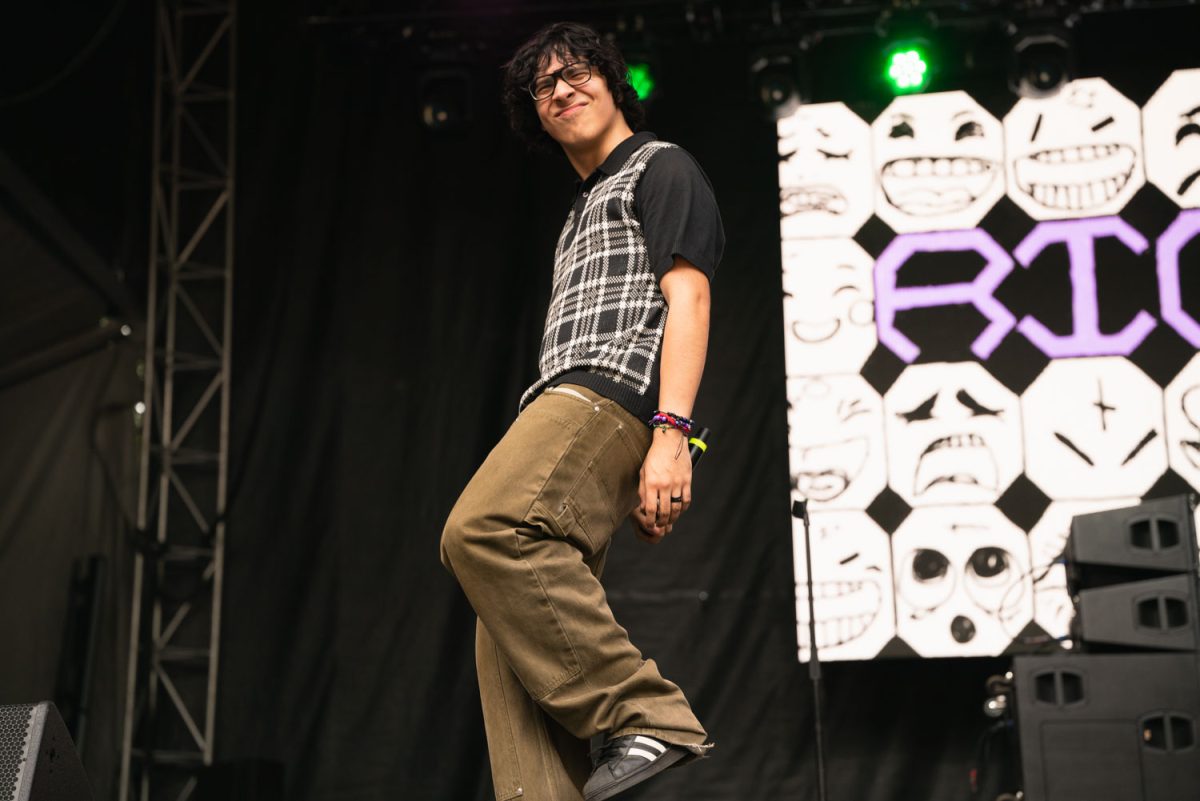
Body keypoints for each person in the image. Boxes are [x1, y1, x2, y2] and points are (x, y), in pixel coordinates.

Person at [440, 20, 724, 801]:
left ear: (613, 80)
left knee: (484, 527)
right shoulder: (581, 207)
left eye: (578, 72)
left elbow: (689, 298)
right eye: (544, 86)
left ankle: (647, 712)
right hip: (576, 400)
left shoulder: (660, 167)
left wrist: (673, 435)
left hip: (607, 395)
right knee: (506, 628)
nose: (562, 89)